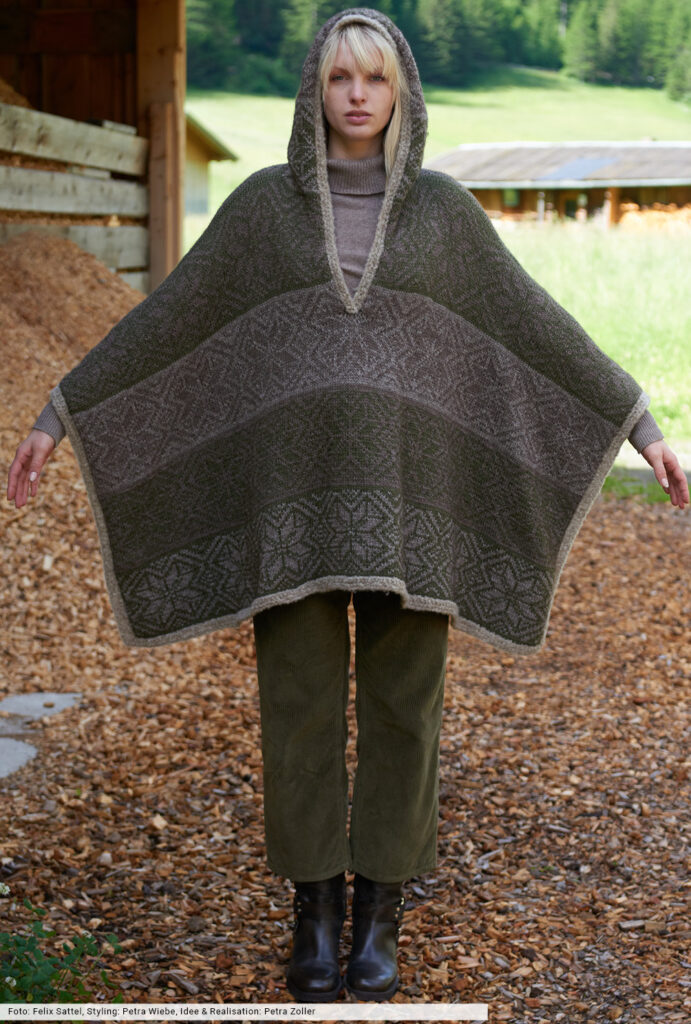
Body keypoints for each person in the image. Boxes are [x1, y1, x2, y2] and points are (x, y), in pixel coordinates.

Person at [6, 6, 689, 1005]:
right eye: (339, 78)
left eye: (374, 78)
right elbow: (171, 320)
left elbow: (533, 326)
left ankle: (380, 913)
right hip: (293, 512)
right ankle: (315, 909)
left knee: (405, 711)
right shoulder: (262, 211)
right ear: (314, 91)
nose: (357, 95)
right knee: (298, 709)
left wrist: (641, 426)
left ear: (401, 90)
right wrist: (59, 414)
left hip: (418, 510)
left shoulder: (443, 216)